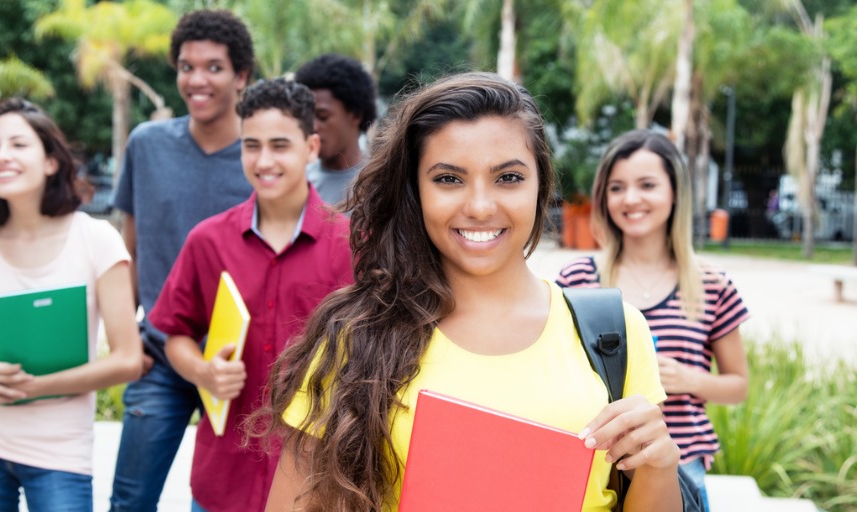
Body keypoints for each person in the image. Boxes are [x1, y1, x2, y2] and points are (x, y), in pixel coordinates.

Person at [259, 73, 682, 512]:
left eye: (508, 178)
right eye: (448, 179)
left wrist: (658, 467)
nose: (480, 206)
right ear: (415, 192)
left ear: (540, 185)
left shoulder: (614, 334)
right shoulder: (358, 335)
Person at [150, 78, 353, 512]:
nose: (264, 161)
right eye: (251, 145)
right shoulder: (208, 240)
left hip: (315, 486)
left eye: (280, 145)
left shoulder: (354, 244)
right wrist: (203, 371)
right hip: (222, 481)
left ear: (311, 147)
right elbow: (176, 336)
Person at [0, 98, 142, 511]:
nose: (2, 156)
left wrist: (37, 387)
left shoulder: (96, 240)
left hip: (59, 449)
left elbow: (128, 360)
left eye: (17, 144)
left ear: (51, 162)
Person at [108, 9, 256, 511]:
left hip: (240, 362)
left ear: (241, 77)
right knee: (129, 501)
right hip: (160, 355)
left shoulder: (262, 161)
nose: (197, 80)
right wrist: (125, 342)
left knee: (220, 504)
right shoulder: (146, 146)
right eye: (186, 67)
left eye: (214, 67)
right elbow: (127, 252)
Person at [557, 129, 750, 509]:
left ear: (674, 192)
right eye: (617, 188)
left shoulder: (711, 284)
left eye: (647, 185)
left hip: (681, 465)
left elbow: (739, 386)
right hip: (597, 462)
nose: (631, 199)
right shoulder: (577, 279)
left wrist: (689, 379)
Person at [293, 53, 377, 207]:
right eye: (306, 115)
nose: (312, 126)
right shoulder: (296, 183)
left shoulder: (381, 185)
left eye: (322, 116)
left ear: (356, 115)